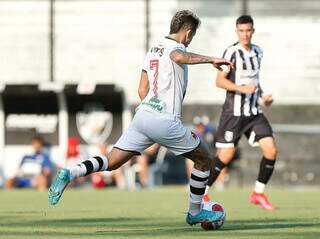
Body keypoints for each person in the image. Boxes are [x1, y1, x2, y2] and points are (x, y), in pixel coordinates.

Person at [48, 10, 232, 226]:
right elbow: (179, 57)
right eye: (191, 36)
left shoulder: (153, 50)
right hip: (164, 120)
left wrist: (153, 118)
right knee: (205, 160)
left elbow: (142, 89)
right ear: (188, 32)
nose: (190, 40)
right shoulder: (176, 48)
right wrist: (211, 59)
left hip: (143, 116)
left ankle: (70, 173)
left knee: (112, 161)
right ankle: (195, 211)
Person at [204, 15, 277, 210]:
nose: (245, 34)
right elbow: (219, 81)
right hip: (233, 113)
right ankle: (201, 194)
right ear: (237, 31)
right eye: (241, 31)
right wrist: (240, 88)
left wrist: (263, 97)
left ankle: (258, 193)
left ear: (253, 31)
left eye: (248, 30)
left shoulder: (258, 52)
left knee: (271, 150)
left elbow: (255, 82)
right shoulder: (231, 53)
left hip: (254, 112)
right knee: (226, 155)